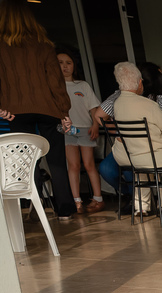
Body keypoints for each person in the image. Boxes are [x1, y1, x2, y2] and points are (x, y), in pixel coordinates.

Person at [0, 0, 75, 220]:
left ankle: (34, 205)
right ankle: (65, 210)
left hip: (16, 110)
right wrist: (64, 112)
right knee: (57, 160)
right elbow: (56, 83)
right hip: (48, 109)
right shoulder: (44, 45)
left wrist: (2, 107)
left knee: (25, 158)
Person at [109, 61, 162, 219]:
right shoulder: (149, 105)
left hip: (135, 160)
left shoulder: (117, 105)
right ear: (139, 82)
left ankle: (146, 207)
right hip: (158, 159)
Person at [55, 49, 104, 214]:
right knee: (73, 165)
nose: (65, 66)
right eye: (60, 63)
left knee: (89, 164)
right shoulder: (54, 87)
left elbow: (93, 108)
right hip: (65, 130)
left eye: (68, 63)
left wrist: (95, 125)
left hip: (86, 129)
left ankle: (98, 198)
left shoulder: (82, 85)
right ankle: (77, 201)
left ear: (74, 65)